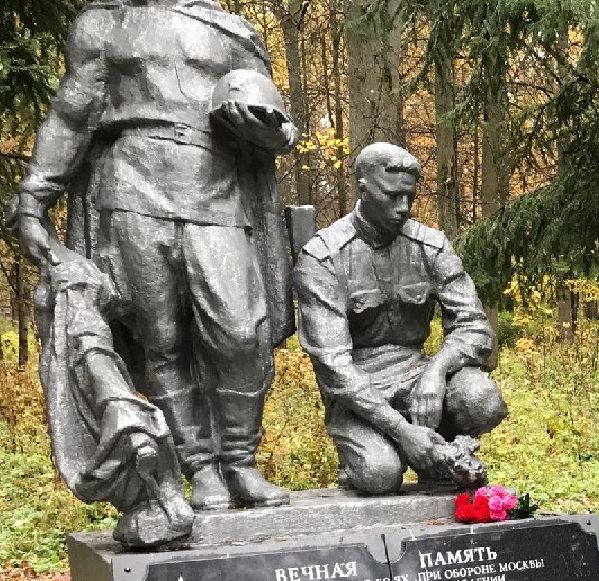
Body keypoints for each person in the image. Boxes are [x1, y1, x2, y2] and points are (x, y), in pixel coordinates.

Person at [11, 0, 298, 511]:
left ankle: (240, 462)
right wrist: (35, 195)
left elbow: (277, 123)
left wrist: (267, 130)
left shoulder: (230, 29)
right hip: (132, 186)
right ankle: (202, 468)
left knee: (239, 333)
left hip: (216, 187)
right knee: (160, 341)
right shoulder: (103, 23)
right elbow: (71, 115)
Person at [292, 143, 506, 495]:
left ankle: (438, 456)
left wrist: (436, 371)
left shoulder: (430, 246)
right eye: (391, 196)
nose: (403, 208)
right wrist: (402, 431)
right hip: (358, 393)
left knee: (481, 399)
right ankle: (389, 452)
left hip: (418, 376)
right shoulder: (323, 258)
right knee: (380, 476)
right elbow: (333, 366)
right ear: (363, 188)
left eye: (409, 196)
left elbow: (475, 327)